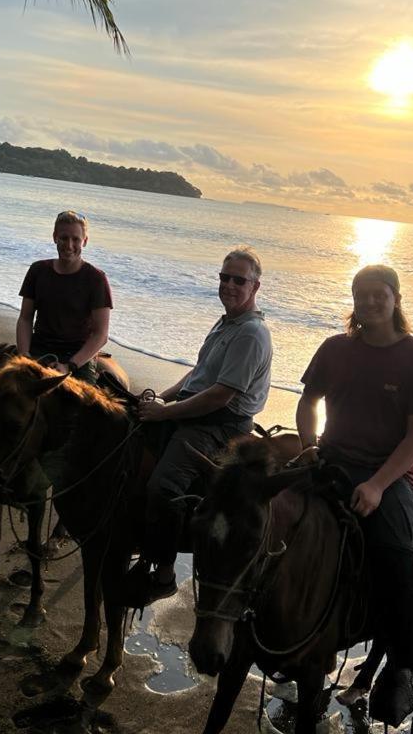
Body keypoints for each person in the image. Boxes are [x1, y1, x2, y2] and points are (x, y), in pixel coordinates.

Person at [296, 264, 413, 728]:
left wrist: (378, 485)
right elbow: (308, 403)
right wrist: (308, 448)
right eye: (361, 294)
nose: (370, 302)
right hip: (331, 460)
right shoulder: (336, 349)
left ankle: (402, 666)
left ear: (396, 299)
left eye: (379, 294)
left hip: (390, 473)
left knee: (397, 557)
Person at [127, 246, 273, 606]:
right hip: (197, 408)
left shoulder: (251, 333)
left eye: (239, 279)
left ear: (255, 285)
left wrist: (166, 413)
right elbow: (198, 374)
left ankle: (162, 574)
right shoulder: (227, 322)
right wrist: (161, 399)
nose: (229, 285)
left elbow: (220, 395)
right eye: (224, 277)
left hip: (220, 424)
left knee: (165, 486)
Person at [16, 210, 112, 384]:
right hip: (39, 347)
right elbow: (25, 318)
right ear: (55, 237)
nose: (69, 245)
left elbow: (101, 334)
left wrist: (70, 366)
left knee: (83, 404)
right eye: (64, 238)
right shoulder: (38, 270)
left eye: (75, 239)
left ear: (85, 241)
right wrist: (24, 356)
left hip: (77, 355)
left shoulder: (96, 279)